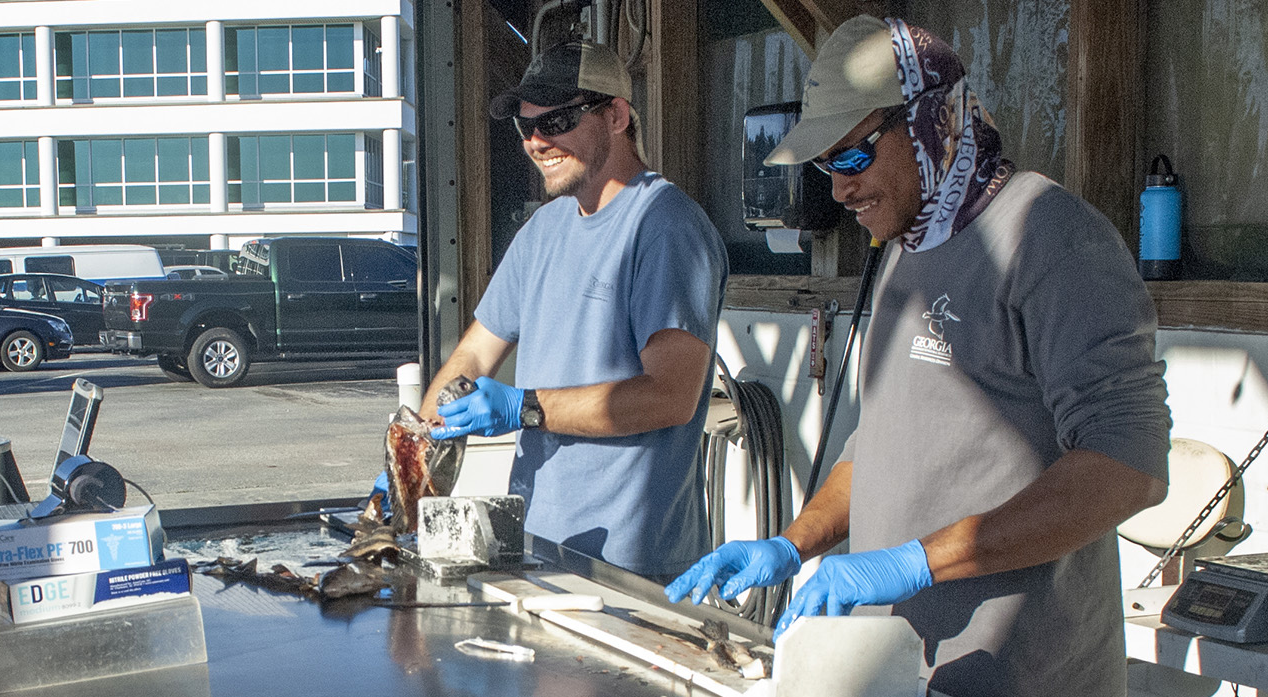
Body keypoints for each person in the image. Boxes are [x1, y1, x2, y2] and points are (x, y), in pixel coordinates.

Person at [664, 16, 1171, 696]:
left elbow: (1126, 469)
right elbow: (877, 445)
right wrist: (792, 543)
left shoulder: (1051, 235)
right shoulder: (909, 246)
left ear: (931, 121)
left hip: (1021, 677)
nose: (840, 189)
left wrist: (915, 561)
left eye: (852, 156)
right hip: (904, 672)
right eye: (824, 165)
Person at [421, 41, 728, 578]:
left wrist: (525, 407)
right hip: (537, 549)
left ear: (616, 115)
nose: (536, 142)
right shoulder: (541, 231)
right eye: (525, 126)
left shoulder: (665, 227)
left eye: (558, 120)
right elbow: (471, 357)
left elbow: (671, 396)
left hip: (632, 569)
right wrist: (416, 451)